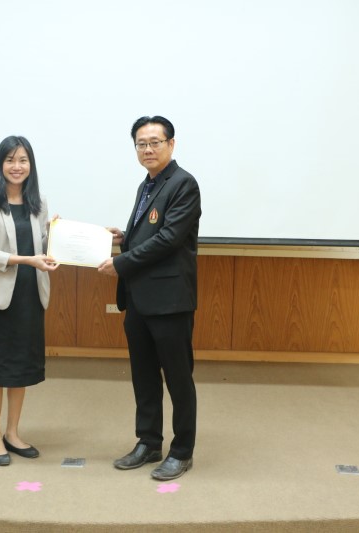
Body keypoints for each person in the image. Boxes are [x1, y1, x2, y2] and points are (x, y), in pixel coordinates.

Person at [98, 116, 202, 481]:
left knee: (178, 378)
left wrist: (122, 263)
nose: (148, 149)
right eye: (141, 143)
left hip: (170, 301)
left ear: (171, 144)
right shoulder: (147, 184)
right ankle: (149, 442)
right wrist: (124, 238)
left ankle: (182, 451)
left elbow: (169, 239)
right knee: (143, 377)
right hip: (140, 300)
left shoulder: (184, 183)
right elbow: (151, 233)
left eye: (155, 142)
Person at [0, 135, 58, 467]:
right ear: (0, 165)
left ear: (30, 165)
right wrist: (27, 260)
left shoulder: (38, 202)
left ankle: (12, 433)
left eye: (23, 160)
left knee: (20, 370)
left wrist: (81, 238)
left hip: (30, 297)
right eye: (10, 160)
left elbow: (46, 244)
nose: (17, 166)